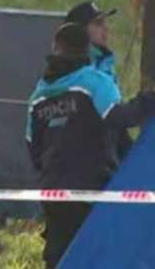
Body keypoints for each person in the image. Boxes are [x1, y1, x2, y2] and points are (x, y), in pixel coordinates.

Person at [25, 23, 155, 268]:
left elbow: (33, 148)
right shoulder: (94, 81)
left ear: (55, 48)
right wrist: (148, 101)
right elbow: (119, 117)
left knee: (59, 255)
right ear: (86, 49)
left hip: (52, 191)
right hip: (93, 190)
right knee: (96, 257)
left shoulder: (38, 97)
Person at [64, 0, 134, 159]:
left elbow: (115, 125)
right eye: (98, 23)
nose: (106, 28)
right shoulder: (74, 71)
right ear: (80, 32)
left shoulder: (105, 65)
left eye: (105, 22)